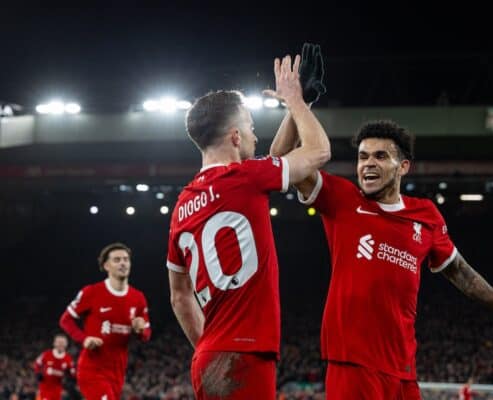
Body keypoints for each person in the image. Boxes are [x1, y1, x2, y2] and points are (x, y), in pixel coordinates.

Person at [270, 82, 493, 399]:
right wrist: (299, 104)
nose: (368, 163)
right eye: (363, 156)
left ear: (403, 166)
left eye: (380, 156)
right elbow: (282, 160)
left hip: (402, 369)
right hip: (352, 362)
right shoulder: (342, 200)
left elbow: (459, 271)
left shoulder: (426, 215)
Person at [166, 47, 330, 399]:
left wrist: (207, 345)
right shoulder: (246, 178)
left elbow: (180, 298)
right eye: (252, 129)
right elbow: (318, 152)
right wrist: (295, 102)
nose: (256, 137)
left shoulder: (183, 204)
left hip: (210, 355)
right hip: (245, 354)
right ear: (236, 138)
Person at [59, 242, 151, 400]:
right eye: (117, 260)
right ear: (106, 265)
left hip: (118, 371)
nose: (123, 263)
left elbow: (146, 335)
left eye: (126, 259)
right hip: (92, 369)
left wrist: (141, 330)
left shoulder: (138, 298)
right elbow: (65, 320)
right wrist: (84, 339)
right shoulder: (92, 292)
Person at [33, 334, 75, 400]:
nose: (60, 344)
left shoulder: (68, 359)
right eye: (58, 342)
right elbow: (37, 363)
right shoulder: (46, 354)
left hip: (57, 389)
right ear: (54, 343)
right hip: (45, 387)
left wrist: (69, 378)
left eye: (63, 343)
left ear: (66, 344)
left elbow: (73, 373)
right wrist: (38, 373)